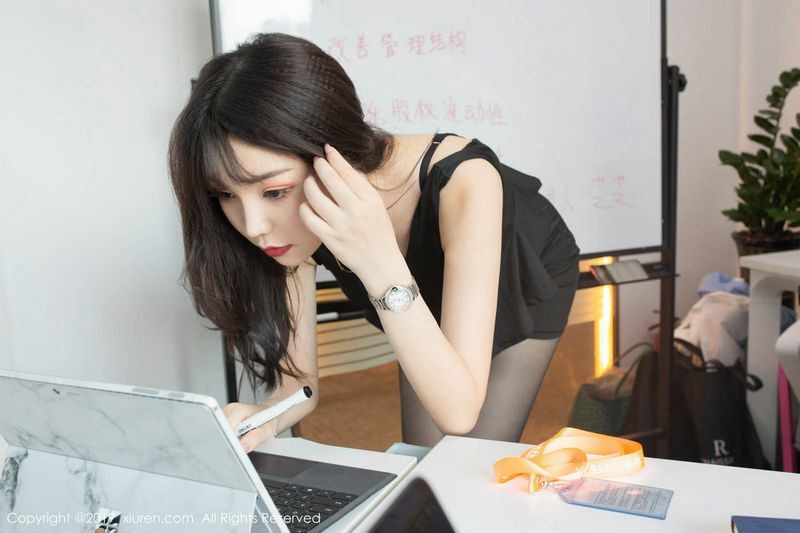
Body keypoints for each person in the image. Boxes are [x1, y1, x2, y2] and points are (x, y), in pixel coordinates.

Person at [168, 32, 580, 451]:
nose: (254, 226)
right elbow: (300, 385)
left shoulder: (465, 180)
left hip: (524, 275)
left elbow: (459, 414)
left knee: (472, 454)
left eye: (274, 192)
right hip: (410, 293)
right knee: (423, 455)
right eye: (226, 195)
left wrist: (376, 256)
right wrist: (265, 417)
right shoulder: (291, 226)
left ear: (332, 154)